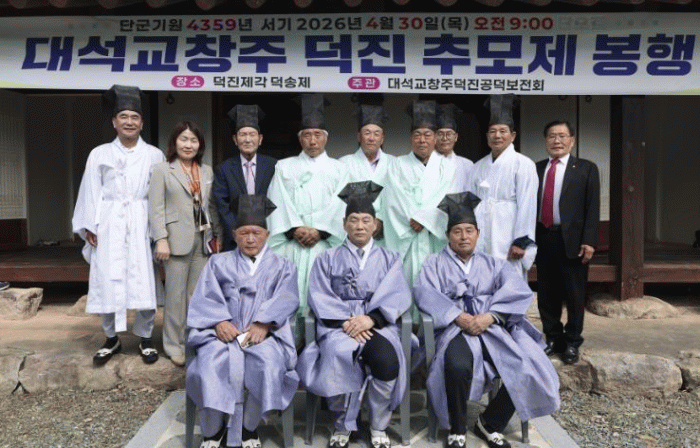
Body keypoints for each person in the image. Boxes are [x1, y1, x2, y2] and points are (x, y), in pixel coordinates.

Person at [414, 192, 560, 448]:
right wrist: (457, 316)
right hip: (454, 330)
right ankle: (457, 428)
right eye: (457, 231)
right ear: (448, 235)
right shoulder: (433, 263)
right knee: (457, 365)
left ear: (478, 234)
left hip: (491, 328)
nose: (463, 236)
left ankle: (490, 423)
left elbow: (516, 289)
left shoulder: (494, 264)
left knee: (527, 364)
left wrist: (490, 316)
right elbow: (425, 293)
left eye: (469, 231)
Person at [297, 181, 412, 448]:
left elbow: (397, 293)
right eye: (354, 220)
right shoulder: (326, 258)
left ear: (375, 225)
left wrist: (370, 319)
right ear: (344, 224)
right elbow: (319, 294)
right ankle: (343, 424)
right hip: (339, 327)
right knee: (339, 355)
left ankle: (378, 424)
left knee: (386, 361)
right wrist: (347, 322)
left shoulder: (390, 258)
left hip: (377, 325)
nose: (360, 226)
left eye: (366, 220)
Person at [186, 195, 299, 448]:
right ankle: (213, 430)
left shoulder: (283, 266)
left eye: (256, 233)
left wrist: (264, 323)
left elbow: (288, 297)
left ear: (266, 235)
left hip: (261, 336)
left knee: (269, 366)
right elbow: (204, 296)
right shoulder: (217, 263)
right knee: (208, 366)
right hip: (222, 336)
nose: (250, 239)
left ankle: (248, 427)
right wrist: (219, 321)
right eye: (244, 233)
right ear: (234, 235)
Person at [72, 85, 164, 365]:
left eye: (135, 117)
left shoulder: (154, 155)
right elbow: (90, 191)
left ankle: (145, 337)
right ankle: (111, 338)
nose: (129, 122)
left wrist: (158, 231)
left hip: (141, 219)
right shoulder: (99, 154)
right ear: (114, 122)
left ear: (142, 123)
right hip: (109, 222)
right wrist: (90, 226)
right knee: (108, 278)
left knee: (144, 278)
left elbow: (159, 195)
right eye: (123, 116)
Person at [148, 121, 222, 366]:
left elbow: (211, 206)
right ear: (174, 142)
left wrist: (217, 236)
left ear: (200, 145)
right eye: (184, 139)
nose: (188, 145)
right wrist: (161, 239)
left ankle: (194, 341)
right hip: (175, 240)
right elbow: (156, 208)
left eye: (193, 140)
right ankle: (174, 345)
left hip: (203, 240)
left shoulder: (207, 171)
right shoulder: (162, 170)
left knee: (196, 296)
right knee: (175, 297)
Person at [266, 93, 348, 311]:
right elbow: (277, 201)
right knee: (289, 296)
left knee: (323, 298)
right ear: (299, 138)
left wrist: (320, 231)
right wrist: (295, 229)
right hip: (293, 244)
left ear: (326, 138)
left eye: (317, 135)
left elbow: (341, 205)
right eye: (307, 135)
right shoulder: (284, 166)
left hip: (324, 244)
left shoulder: (340, 169)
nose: (312, 141)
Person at [535, 120, 600, 365]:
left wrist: (589, 241)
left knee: (574, 294)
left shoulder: (585, 168)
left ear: (572, 140)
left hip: (573, 240)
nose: (557, 140)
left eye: (562, 136)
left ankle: (572, 341)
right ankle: (552, 337)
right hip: (544, 236)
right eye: (552, 136)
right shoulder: (536, 168)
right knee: (546, 292)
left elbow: (592, 207)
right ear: (545, 140)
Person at [384, 100, 456, 286]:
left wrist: (424, 219)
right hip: (408, 235)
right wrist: (414, 219)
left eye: (427, 135)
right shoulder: (397, 165)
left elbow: (446, 197)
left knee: (436, 284)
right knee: (406, 285)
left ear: (435, 138)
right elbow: (394, 198)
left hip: (433, 236)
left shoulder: (446, 167)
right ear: (411, 138)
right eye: (417, 135)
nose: (422, 140)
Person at [465, 94, 538, 279]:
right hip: (482, 232)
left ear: (513, 136)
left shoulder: (523, 164)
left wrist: (521, 241)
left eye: (503, 131)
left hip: (508, 234)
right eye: (493, 131)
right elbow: (469, 204)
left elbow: (528, 205)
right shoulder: (477, 167)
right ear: (487, 136)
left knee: (509, 282)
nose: (497, 135)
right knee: (481, 280)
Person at [212, 104, 277, 251]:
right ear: (235, 139)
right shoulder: (224, 169)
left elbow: (279, 200)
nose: (247, 140)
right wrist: (238, 233)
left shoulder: (273, 166)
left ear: (260, 139)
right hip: (234, 240)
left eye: (252, 134)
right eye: (242, 135)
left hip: (268, 237)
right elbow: (222, 205)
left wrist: (265, 232)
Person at [339, 98, 394, 243]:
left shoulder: (395, 164)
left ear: (382, 138)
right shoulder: (344, 164)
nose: (371, 138)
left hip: (387, 232)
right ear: (359, 136)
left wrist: (380, 220)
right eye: (367, 133)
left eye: (376, 134)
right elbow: (339, 202)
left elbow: (398, 199)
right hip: (355, 230)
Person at [435, 103, 473, 192]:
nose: (445, 138)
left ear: (456, 137)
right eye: (440, 134)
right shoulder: (426, 164)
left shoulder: (467, 165)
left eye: (449, 134)